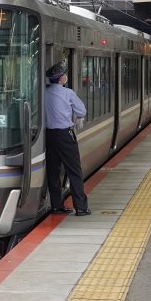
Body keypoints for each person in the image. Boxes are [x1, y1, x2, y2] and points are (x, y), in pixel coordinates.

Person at [44, 61, 91, 216]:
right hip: (65, 135)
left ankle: (57, 205)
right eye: (64, 74)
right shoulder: (67, 93)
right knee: (74, 170)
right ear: (61, 79)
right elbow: (81, 110)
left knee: (53, 171)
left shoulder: (44, 92)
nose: (65, 76)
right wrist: (80, 118)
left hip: (49, 136)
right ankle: (81, 207)